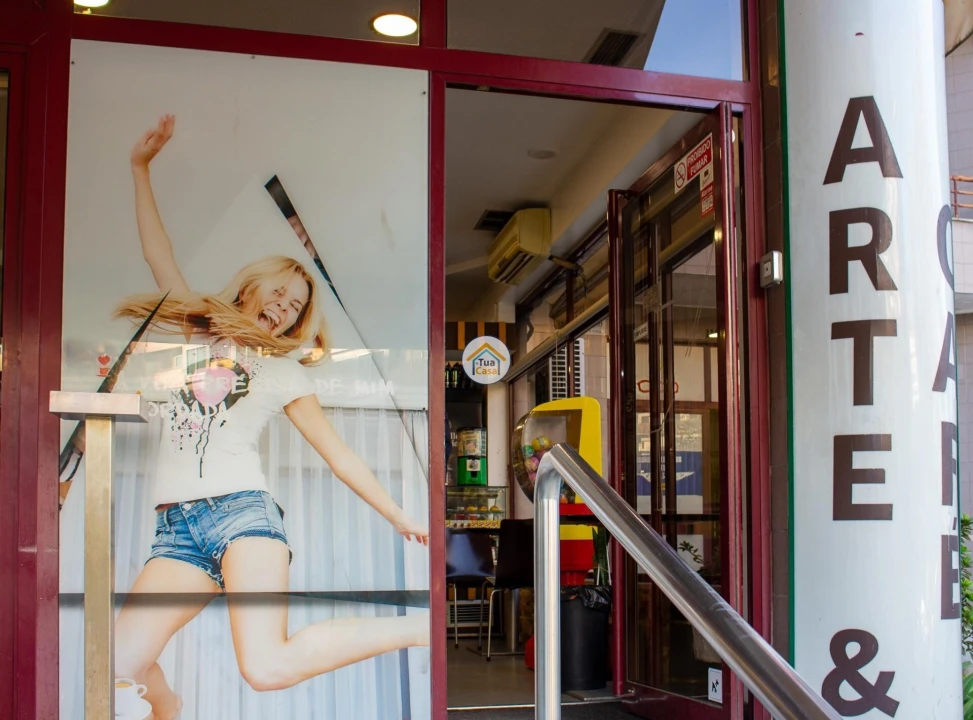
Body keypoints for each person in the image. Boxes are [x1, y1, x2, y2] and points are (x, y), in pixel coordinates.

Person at [113, 115, 429, 720]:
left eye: (294, 308)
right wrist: (139, 168)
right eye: (278, 296)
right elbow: (159, 254)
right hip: (176, 531)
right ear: (250, 288)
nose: (283, 311)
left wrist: (399, 516)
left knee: (265, 668)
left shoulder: (284, 373)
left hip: (243, 517)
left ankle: (418, 629)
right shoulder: (194, 331)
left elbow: (337, 453)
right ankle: (170, 708)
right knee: (119, 664)